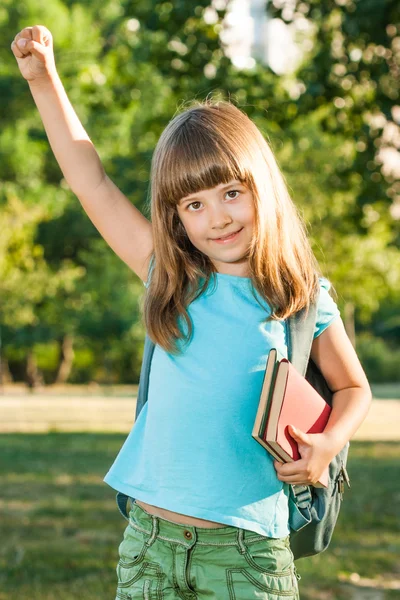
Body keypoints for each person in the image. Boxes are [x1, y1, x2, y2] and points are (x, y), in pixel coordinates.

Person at [11, 25, 372, 600]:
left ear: (262, 188)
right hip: (150, 543)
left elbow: (354, 389)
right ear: (176, 217)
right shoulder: (170, 277)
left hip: (247, 555)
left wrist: (327, 446)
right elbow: (92, 182)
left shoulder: (298, 294)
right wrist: (44, 80)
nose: (218, 217)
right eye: (194, 204)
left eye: (232, 192)